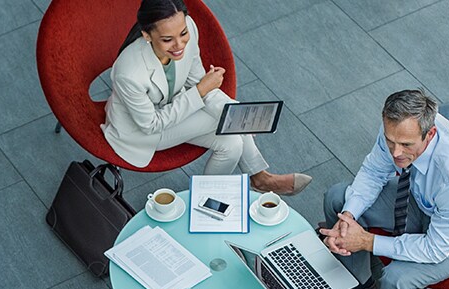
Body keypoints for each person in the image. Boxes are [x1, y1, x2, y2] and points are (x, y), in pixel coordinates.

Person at [101, 0, 311, 195]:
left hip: (174, 106)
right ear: (147, 35)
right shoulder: (129, 73)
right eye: (167, 40)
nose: (179, 45)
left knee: (233, 145)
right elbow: (151, 124)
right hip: (141, 132)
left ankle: (205, 200)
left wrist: (237, 112)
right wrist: (202, 92)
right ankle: (261, 179)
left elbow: (197, 82)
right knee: (229, 126)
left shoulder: (189, 27)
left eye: (182, 34)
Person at [319, 90, 449, 289]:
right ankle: (359, 286)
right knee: (338, 198)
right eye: (391, 141)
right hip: (423, 203)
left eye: (406, 145)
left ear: (431, 134)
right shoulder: (397, 129)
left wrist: (366, 241)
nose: (396, 153)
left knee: (396, 280)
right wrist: (348, 217)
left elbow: (435, 249)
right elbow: (373, 173)